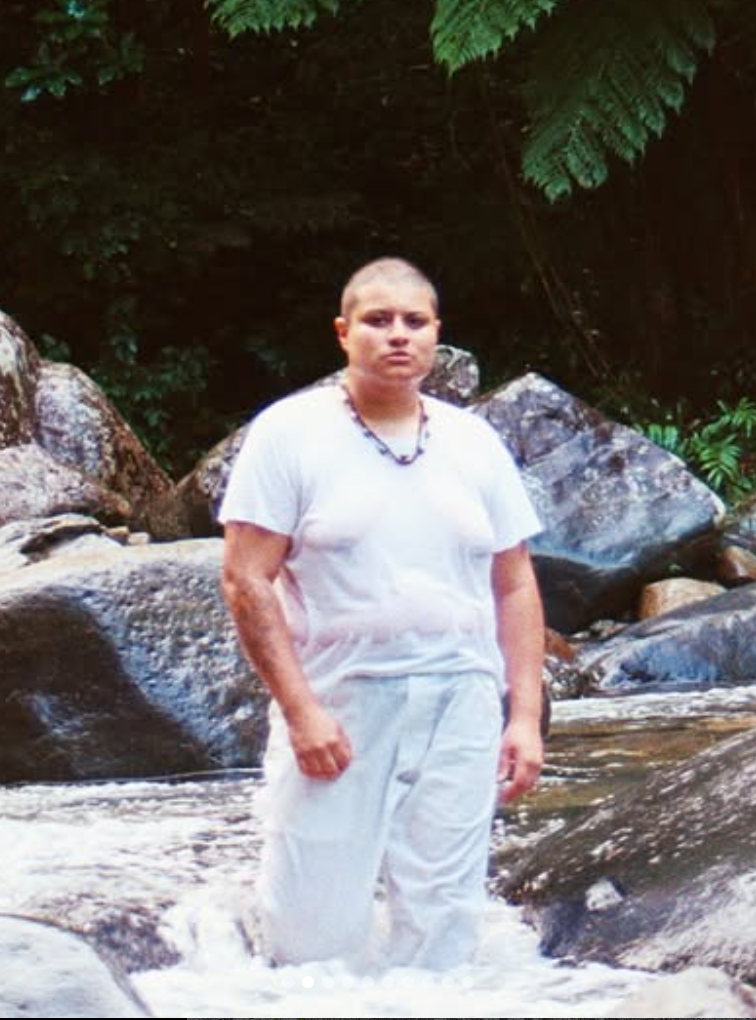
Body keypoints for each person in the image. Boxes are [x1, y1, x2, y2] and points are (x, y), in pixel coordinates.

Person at [218, 257, 546, 970]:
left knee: (444, 925)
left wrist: (524, 716)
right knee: (310, 934)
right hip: (341, 701)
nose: (398, 335)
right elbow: (246, 579)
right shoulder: (288, 434)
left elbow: (515, 582)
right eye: (378, 320)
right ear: (343, 332)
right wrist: (300, 711)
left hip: (462, 700)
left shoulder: (474, 442)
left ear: (436, 334)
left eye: (414, 322)